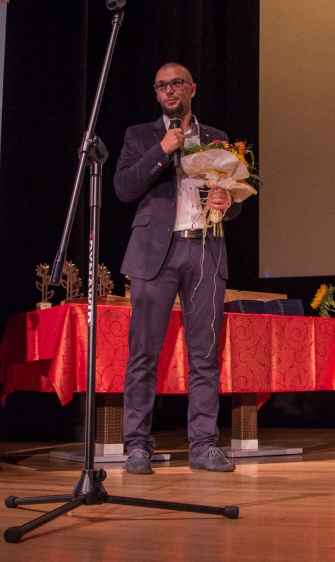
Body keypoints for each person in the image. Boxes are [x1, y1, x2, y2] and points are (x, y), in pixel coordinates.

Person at [113, 62, 239, 474]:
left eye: (176, 84)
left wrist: (229, 201)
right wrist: (162, 150)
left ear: (192, 89)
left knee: (204, 354)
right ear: (156, 93)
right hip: (155, 253)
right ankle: (136, 445)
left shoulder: (217, 137)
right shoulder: (141, 136)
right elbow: (124, 188)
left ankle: (203, 446)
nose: (169, 91)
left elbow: (235, 196)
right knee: (143, 354)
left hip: (204, 249)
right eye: (162, 86)